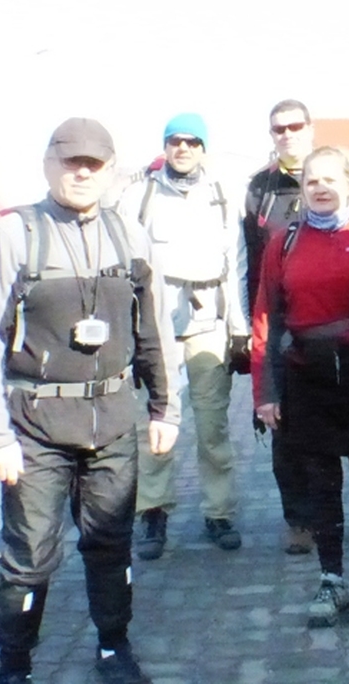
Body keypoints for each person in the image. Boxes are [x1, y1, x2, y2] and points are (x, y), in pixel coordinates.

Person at [0, 117, 181, 684]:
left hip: (112, 421)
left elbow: (152, 328)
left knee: (111, 545)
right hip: (36, 427)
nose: (82, 172)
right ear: (48, 164)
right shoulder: (14, 235)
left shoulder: (128, 234)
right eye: (71, 161)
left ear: (110, 171)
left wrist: (164, 406)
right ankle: (15, 663)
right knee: (30, 556)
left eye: (94, 163)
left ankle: (113, 646)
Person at [244, 99, 349, 562]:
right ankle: (322, 553)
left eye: (330, 180)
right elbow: (265, 316)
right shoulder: (278, 233)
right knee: (312, 468)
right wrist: (265, 391)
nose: (321, 188)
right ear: (302, 188)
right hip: (305, 371)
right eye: (312, 182)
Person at [117, 112, 250, 555]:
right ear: (165, 146)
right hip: (156, 327)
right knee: (154, 424)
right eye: (175, 140)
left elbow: (236, 263)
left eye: (193, 142)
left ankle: (219, 512)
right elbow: (123, 266)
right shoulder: (139, 194)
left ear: (203, 149)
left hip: (207, 321)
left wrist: (238, 329)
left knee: (213, 426)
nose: (183, 148)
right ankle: (152, 511)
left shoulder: (222, 195)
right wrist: (131, 332)